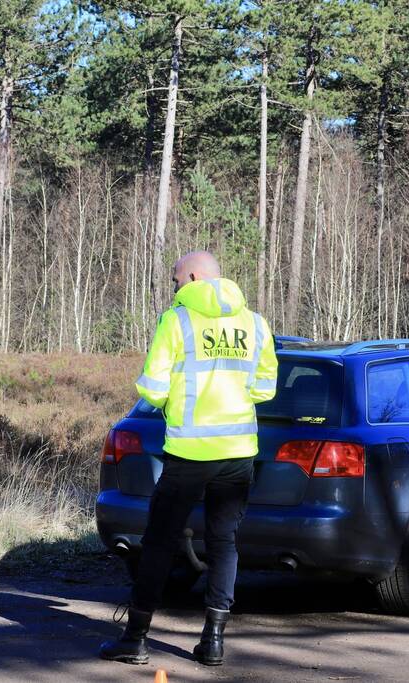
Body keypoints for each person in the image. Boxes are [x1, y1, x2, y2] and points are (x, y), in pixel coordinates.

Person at [99, 250, 278, 666]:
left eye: (176, 279)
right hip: (237, 451)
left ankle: (136, 637)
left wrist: (177, 404)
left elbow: (152, 388)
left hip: (188, 451)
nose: (174, 287)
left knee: (159, 541)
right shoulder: (254, 323)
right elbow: (265, 388)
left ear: (195, 277)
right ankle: (213, 641)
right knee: (223, 542)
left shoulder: (176, 321)